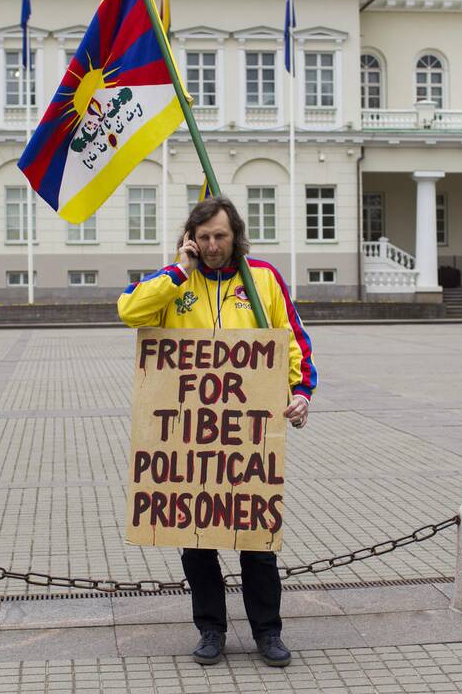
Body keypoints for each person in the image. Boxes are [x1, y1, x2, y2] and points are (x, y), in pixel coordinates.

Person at [117, 195, 316, 668]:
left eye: (220, 236)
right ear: (191, 239)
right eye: (203, 237)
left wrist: (301, 390)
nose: (211, 246)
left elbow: (292, 338)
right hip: (191, 437)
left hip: (251, 433)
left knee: (257, 539)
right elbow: (130, 311)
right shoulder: (173, 281)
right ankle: (211, 629)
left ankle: (268, 632)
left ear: (236, 235)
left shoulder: (262, 278)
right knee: (196, 538)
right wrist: (177, 271)